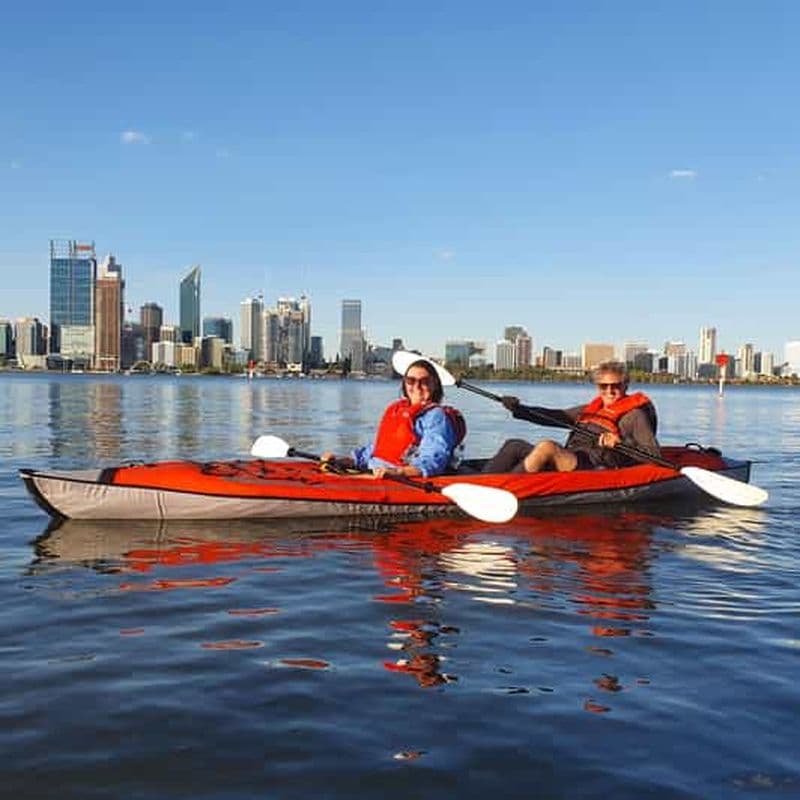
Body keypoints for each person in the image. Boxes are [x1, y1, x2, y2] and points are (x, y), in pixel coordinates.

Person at [483, 360, 659, 473]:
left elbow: (654, 455)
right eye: (603, 386)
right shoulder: (589, 410)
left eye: (615, 386)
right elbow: (552, 416)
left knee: (547, 447)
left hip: (594, 467)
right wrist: (518, 409)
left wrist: (620, 444)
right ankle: (480, 481)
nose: (609, 391)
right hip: (572, 457)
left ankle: (505, 488)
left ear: (625, 385)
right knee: (513, 444)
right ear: (597, 387)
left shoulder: (635, 416)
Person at [321, 358, 466, 479]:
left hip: (394, 477)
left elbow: (434, 459)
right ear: (405, 383)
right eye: (411, 380)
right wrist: (345, 461)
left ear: (434, 385)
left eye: (425, 381)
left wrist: (398, 472)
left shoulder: (436, 416)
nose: (417, 386)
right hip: (374, 471)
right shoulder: (397, 409)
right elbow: (377, 448)